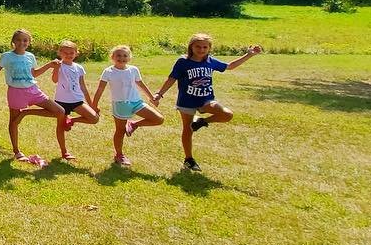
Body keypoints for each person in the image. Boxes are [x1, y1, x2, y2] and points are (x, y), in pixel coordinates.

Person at [155, 34, 263, 172]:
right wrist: (159, 94)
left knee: (227, 114)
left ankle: (201, 121)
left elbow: (229, 66)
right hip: (186, 101)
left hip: (206, 100)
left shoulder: (210, 61)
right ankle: (189, 159)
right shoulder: (183, 62)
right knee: (187, 130)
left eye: (205, 47)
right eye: (198, 46)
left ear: (209, 48)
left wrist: (249, 55)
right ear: (191, 47)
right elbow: (171, 79)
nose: (201, 49)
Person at [0, 29, 66, 166]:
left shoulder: (30, 56)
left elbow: (34, 74)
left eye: (25, 40)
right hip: (15, 92)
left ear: (29, 42)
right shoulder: (7, 56)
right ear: (13, 42)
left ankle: (26, 112)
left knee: (60, 111)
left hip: (33, 90)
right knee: (14, 121)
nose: (22, 42)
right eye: (19, 40)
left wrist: (50, 65)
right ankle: (17, 151)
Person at [92, 44, 164, 167]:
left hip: (136, 102)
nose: (121, 58)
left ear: (129, 58)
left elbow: (141, 84)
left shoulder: (133, 70)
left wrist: (151, 97)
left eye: (125, 55)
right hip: (120, 105)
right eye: (118, 55)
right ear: (112, 57)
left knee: (158, 119)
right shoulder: (108, 71)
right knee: (120, 131)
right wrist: (94, 105)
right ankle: (119, 155)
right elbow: (100, 89)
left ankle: (133, 124)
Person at [50, 39, 100, 161]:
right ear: (60, 53)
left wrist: (91, 104)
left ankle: (71, 120)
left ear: (76, 53)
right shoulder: (59, 65)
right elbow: (54, 80)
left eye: (71, 53)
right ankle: (64, 152)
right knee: (60, 127)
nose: (68, 55)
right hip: (61, 101)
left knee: (94, 118)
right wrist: (56, 68)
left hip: (77, 100)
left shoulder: (79, 68)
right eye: (65, 53)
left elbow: (83, 86)